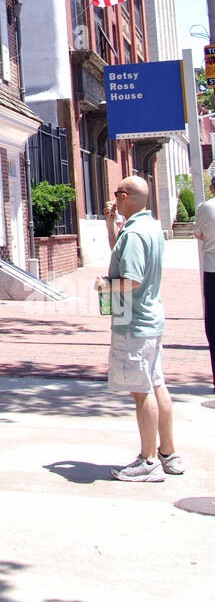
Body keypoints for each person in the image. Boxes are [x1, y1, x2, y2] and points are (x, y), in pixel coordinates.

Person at [96, 174, 184, 481]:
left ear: (124, 197)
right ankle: (168, 453)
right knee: (157, 383)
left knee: (142, 390)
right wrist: (111, 225)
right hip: (150, 319)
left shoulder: (134, 235)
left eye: (117, 193)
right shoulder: (148, 227)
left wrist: (105, 286)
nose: (114, 198)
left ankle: (148, 461)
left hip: (133, 322)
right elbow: (121, 254)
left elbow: (131, 278)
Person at [194, 171, 215, 391]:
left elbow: (198, 234)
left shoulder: (205, 208)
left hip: (212, 270)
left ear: (211, 188)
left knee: (214, 326)